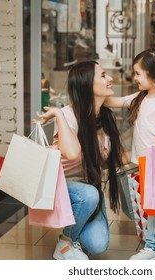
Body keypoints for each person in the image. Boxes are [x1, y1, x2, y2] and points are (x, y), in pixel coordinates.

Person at [36, 61, 124, 260]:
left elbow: (104, 164)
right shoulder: (68, 115)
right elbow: (73, 153)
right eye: (103, 75)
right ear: (87, 85)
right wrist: (58, 113)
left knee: (98, 244)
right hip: (63, 188)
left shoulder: (104, 118)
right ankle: (65, 244)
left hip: (87, 189)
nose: (109, 78)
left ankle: (74, 231)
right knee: (90, 195)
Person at [104, 48, 155, 260]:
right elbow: (115, 102)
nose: (135, 77)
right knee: (150, 207)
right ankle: (152, 247)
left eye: (138, 73)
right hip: (144, 164)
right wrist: (98, 90)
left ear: (152, 74)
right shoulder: (140, 97)